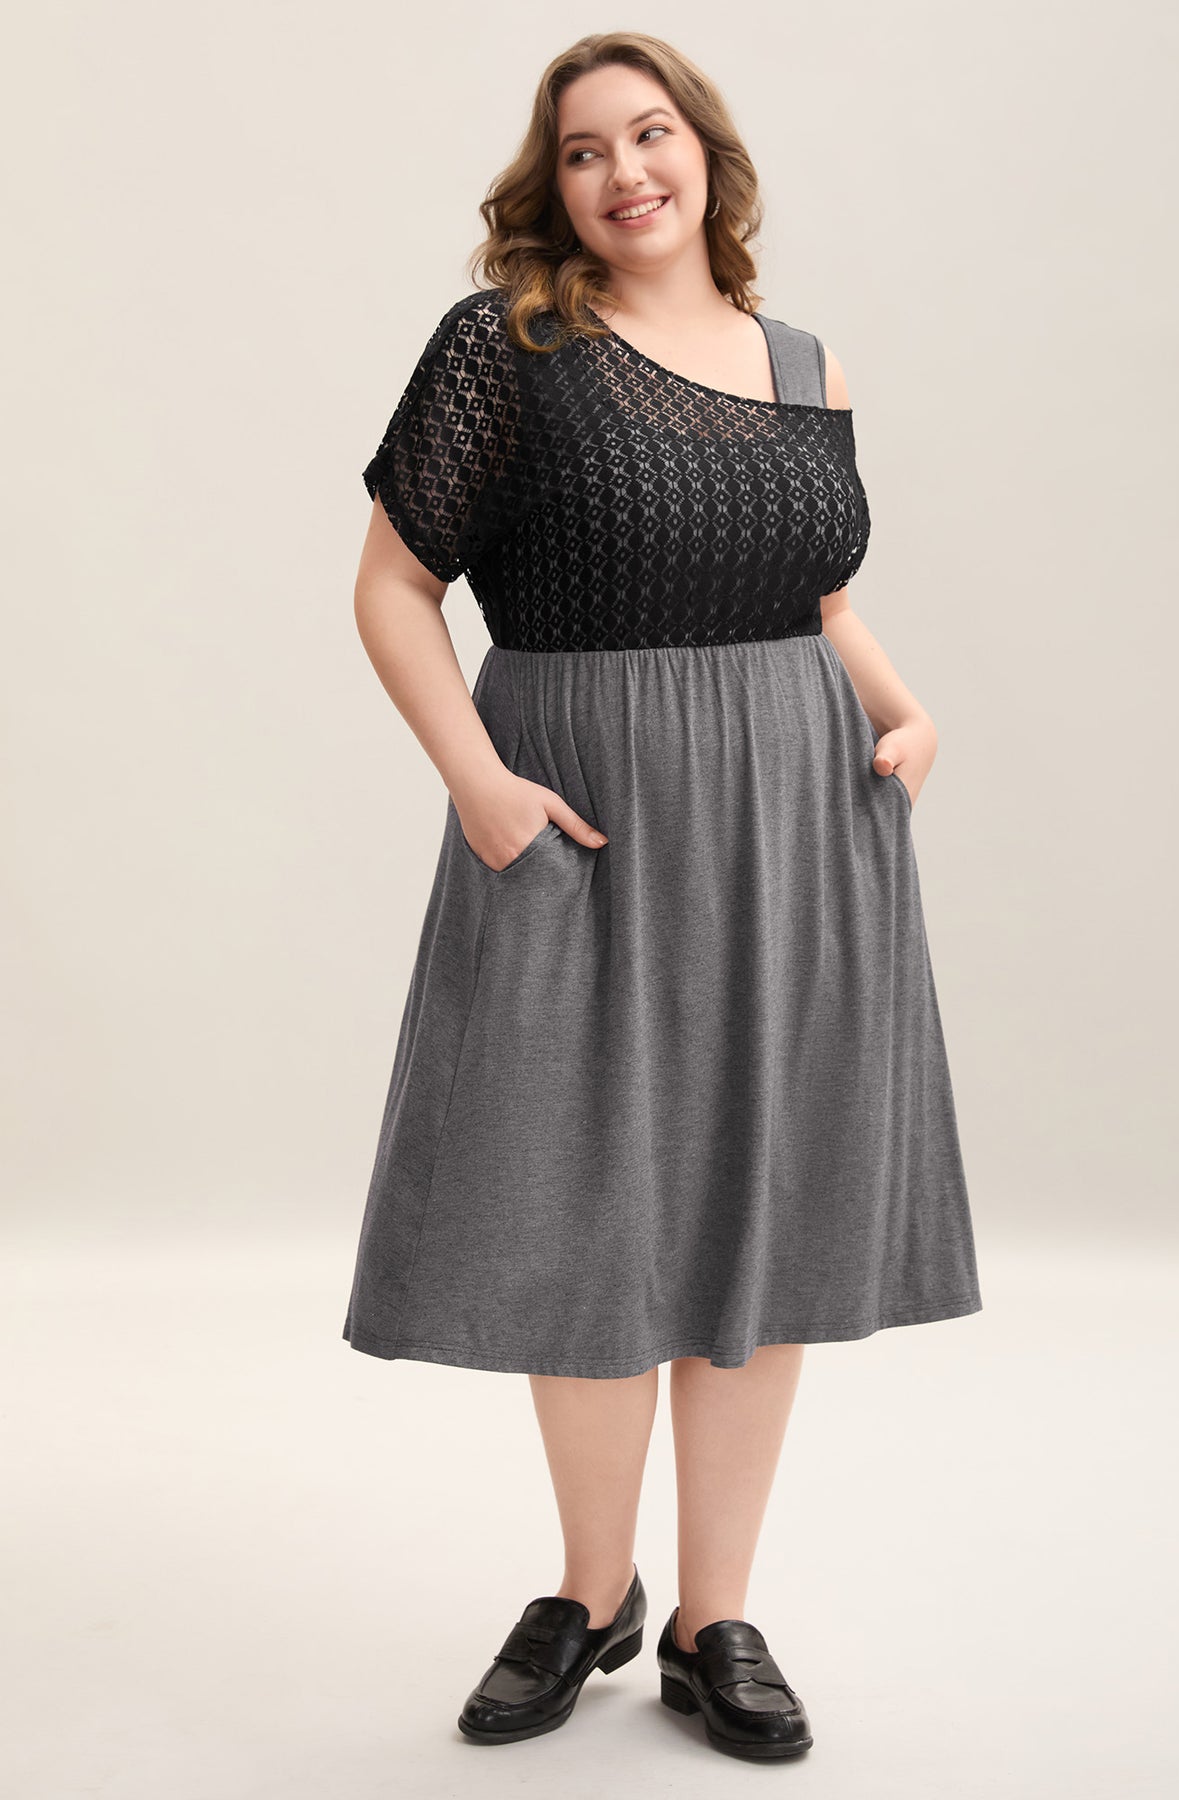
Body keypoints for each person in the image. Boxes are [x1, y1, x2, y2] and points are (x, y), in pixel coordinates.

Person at [342, 30, 983, 1762]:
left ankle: (714, 1617)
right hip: (586, 826)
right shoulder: (508, 346)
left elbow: (816, 594)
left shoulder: (804, 363)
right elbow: (393, 584)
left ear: (706, 150)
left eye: (648, 135)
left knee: (755, 1206)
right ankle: (588, 1589)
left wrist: (905, 710)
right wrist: (477, 783)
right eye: (581, 151)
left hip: (797, 822)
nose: (623, 172)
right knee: (578, 1205)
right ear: (549, 187)